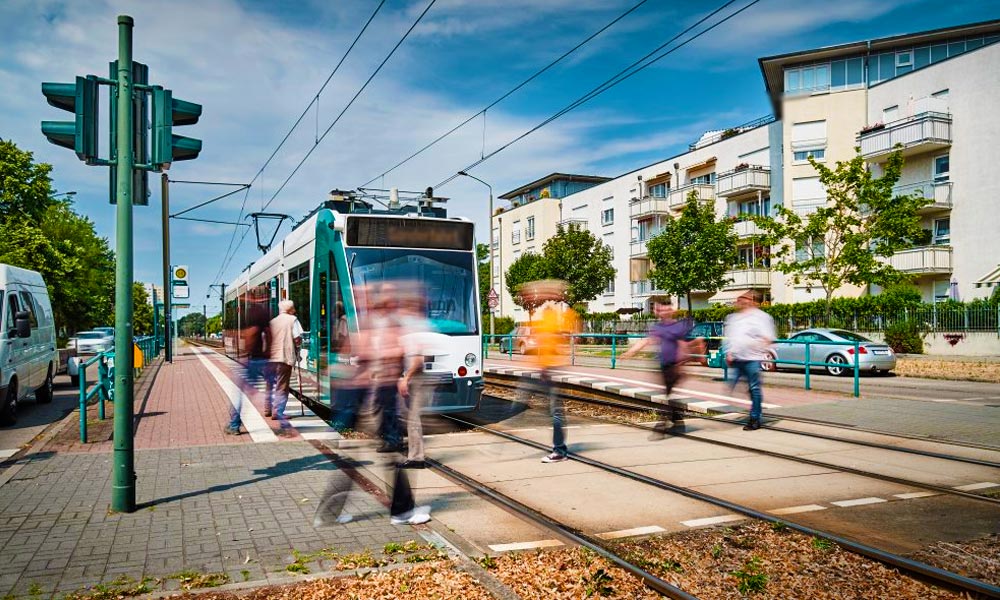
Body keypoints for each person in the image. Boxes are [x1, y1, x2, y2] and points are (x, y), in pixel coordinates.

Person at [620, 297, 703, 437]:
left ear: (671, 311)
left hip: (675, 366)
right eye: (661, 310)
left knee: (667, 395)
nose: (663, 312)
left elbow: (684, 344)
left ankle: (661, 425)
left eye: (666, 310)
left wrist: (682, 363)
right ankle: (678, 421)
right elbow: (647, 341)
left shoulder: (678, 326)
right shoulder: (658, 327)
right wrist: (631, 352)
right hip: (663, 365)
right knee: (668, 395)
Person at [523, 280, 580, 463]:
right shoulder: (548, 313)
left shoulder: (561, 314)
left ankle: (560, 451)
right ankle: (559, 449)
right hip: (545, 369)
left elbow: (571, 333)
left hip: (552, 369)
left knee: (555, 411)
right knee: (550, 409)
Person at [724, 291, 776, 431]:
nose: (741, 302)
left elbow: (768, 338)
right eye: (740, 300)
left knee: (754, 388)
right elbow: (732, 337)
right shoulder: (734, 318)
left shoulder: (761, 317)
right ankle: (755, 405)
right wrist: (729, 352)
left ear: (752, 301)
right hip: (737, 358)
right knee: (736, 387)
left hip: (753, 358)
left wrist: (760, 349)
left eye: (745, 299)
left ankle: (755, 418)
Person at [224, 293, 270, 435]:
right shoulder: (266, 312)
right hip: (264, 359)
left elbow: (252, 333)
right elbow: (268, 334)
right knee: (255, 390)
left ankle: (234, 425)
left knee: (239, 393)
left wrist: (245, 356)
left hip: (252, 360)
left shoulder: (252, 312)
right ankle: (277, 415)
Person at [266, 300, 304, 430]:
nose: (295, 309)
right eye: (293, 307)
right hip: (284, 357)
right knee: (282, 385)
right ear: (290, 309)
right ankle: (278, 411)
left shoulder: (272, 321)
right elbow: (297, 338)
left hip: (270, 357)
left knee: (270, 383)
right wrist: (298, 348)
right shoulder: (293, 320)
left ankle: (267, 409)